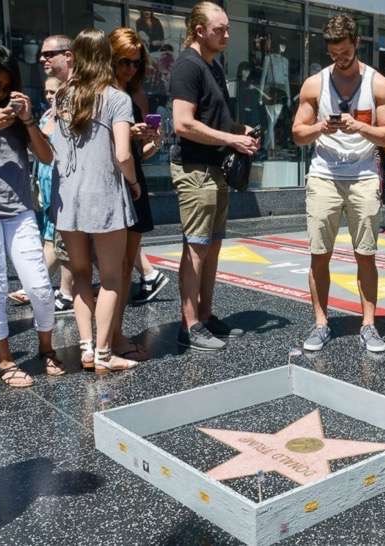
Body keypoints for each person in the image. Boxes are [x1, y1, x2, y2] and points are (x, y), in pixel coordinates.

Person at [292, 14, 385, 352]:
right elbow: (297, 133)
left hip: (363, 175)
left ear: (357, 43)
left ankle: (369, 325)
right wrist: (321, 126)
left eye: (345, 53)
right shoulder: (315, 84)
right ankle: (321, 324)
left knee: (365, 254)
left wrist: (360, 128)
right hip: (324, 174)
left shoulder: (378, 84)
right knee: (318, 254)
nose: (340, 59)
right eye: (334, 54)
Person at [0, 46, 63, 387]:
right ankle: (5, 361)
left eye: (5, 86)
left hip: (20, 209)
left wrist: (27, 120)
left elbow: (46, 157)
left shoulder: (16, 115)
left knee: (39, 286)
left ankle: (46, 350)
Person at [49, 28, 140, 373]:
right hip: (103, 196)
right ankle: (104, 355)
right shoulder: (116, 98)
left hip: (69, 198)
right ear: (107, 57)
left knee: (81, 275)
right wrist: (133, 183)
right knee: (113, 278)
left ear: (75, 57)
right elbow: (122, 153)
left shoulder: (62, 96)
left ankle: (87, 348)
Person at [170, 2, 258, 351]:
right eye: (219, 29)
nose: (226, 34)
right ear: (198, 30)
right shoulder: (187, 66)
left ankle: (205, 315)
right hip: (195, 170)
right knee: (196, 248)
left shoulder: (213, 65)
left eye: (227, 28)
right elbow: (183, 123)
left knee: (211, 247)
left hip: (214, 170)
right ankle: (188, 324)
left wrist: (240, 130)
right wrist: (231, 138)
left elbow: (214, 120)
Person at [109, 27, 163, 361]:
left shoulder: (131, 95)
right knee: (111, 269)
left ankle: (114, 333)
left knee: (126, 266)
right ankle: (110, 337)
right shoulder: (103, 94)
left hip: (133, 180)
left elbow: (136, 152)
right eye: (124, 62)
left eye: (136, 63)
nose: (130, 69)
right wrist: (128, 133)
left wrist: (152, 143)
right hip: (113, 185)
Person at [39, 35, 75, 314]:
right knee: (65, 246)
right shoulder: (62, 95)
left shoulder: (80, 92)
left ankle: (66, 292)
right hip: (60, 185)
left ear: (69, 55)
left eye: (49, 54)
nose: (43, 59)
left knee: (70, 248)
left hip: (76, 188)